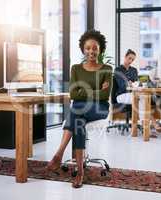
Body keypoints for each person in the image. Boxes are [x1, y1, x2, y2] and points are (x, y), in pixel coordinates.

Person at [45, 30, 112, 188]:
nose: (91, 51)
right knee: (79, 120)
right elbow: (73, 93)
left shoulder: (107, 69)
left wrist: (84, 92)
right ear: (83, 49)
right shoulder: (76, 68)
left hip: (100, 108)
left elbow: (104, 95)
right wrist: (94, 91)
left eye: (95, 48)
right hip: (81, 109)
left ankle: (59, 154)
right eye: (88, 48)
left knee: (77, 110)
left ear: (100, 49)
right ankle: (80, 172)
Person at [112, 49, 161, 133]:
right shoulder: (118, 70)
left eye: (132, 59)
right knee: (141, 98)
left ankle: (146, 124)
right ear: (125, 57)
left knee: (142, 98)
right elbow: (122, 85)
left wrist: (138, 83)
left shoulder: (134, 70)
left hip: (134, 94)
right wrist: (128, 83)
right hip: (121, 95)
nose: (131, 61)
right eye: (129, 58)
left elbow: (137, 83)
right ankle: (151, 123)